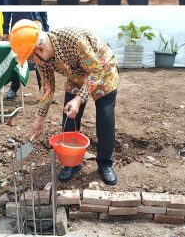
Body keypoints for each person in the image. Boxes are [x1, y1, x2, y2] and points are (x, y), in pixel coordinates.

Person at [10, 20, 119, 185]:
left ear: (40, 49)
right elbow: (47, 88)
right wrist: (39, 119)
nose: (32, 63)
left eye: (31, 58)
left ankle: (105, 164)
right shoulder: (43, 58)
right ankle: (73, 163)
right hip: (76, 76)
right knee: (69, 119)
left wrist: (79, 99)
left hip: (102, 70)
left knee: (105, 118)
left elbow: (95, 72)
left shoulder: (76, 40)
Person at [2, 12, 48, 100]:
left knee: (41, 60)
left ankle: (44, 91)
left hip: (36, 29)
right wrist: (5, 30)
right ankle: (14, 88)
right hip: (19, 30)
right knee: (16, 59)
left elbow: (43, 11)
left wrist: (46, 29)